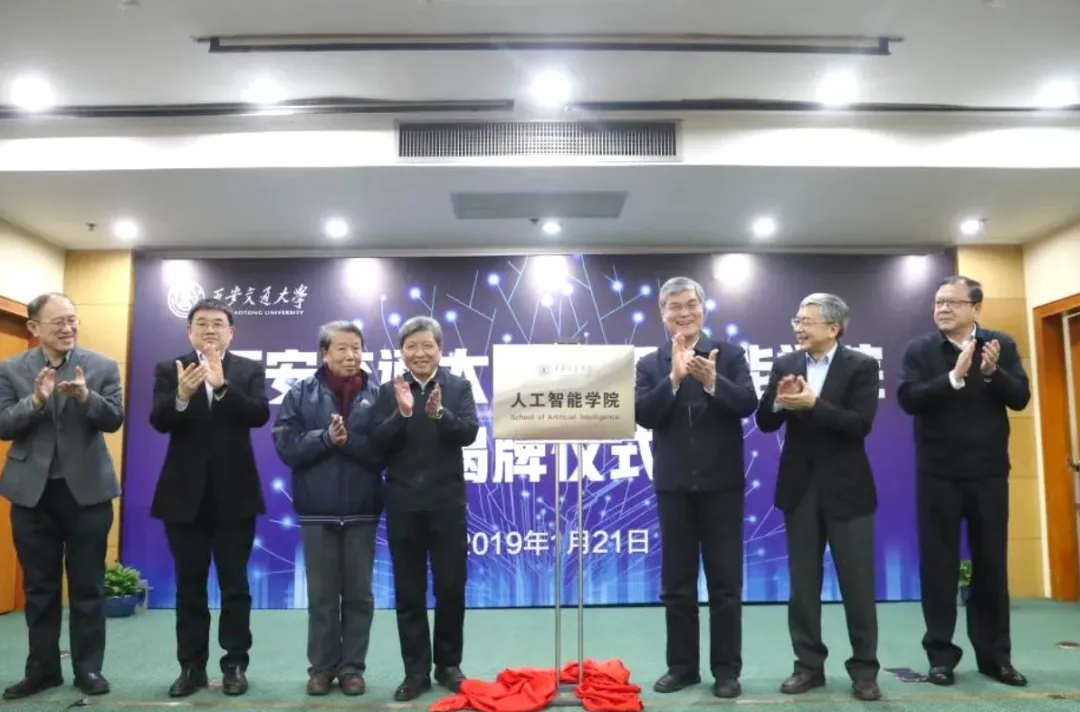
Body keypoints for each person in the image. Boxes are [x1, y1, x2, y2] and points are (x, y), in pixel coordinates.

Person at [897, 275, 1030, 688]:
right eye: (938, 302)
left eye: (952, 302)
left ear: (976, 308)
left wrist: (992, 373)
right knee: (939, 566)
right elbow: (908, 398)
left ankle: (996, 658)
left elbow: (1020, 397)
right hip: (938, 473)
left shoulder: (1000, 345)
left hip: (988, 472)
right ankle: (940, 657)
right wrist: (953, 377)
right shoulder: (921, 350)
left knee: (991, 565)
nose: (942, 309)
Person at [634, 276, 758, 699]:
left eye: (691, 304)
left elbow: (747, 403)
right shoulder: (650, 363)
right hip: (673, 487)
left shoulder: (730, 355)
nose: (683, 313)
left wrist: (712, 381)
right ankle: (682, 667)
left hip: (722, 485)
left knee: (725, 583)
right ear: (662, 314)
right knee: (677, 584)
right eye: (674, 306)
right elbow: (644, 415)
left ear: (703, 309)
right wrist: (672, 378)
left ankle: (726, 670)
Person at [755, 293, 882, 702]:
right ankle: (808, 666)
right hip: (800, 488)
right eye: (796, 320)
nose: (798, 327)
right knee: (803, 587)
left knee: (857, 585)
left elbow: (859, 424)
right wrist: (779, 400)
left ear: (833, 327)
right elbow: (764, 421)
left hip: (848, 489)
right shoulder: (786, 364)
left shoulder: (861, 366)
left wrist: (813, 404)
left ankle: (864, 669)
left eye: (806, 321)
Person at [0, 292, 123, 700]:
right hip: (31, 495)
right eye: (58, 322)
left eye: (72, 320)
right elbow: (3, 425)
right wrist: (35, 400)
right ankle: (42, 670)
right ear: (34, 327)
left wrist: (86, 397)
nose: (68, 328)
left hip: (87, 493)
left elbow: (114, 419)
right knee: (40, 589)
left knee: (88, 587)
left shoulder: (101, 366)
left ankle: (89, 669)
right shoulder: (11, 369)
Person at [148, 298, 270, 698]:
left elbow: (259, 415)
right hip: (183, 497)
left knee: (235, 586)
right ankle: (191, 667)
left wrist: (221, 387)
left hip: (235, 496)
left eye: (218, 323)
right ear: (189, 331)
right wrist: (181, 396)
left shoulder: (247, 370)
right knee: (189, 586)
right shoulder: (170, 368)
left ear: (231, 332)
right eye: (201, 323)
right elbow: (159, 420)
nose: (210, 329)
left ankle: (234, 664)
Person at [271, 320, 384, 696]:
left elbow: (385, 451)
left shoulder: (379, 394)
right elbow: (286, 447)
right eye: (342, 348)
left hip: (362, 508)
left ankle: (352, 668)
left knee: (359, 596)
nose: (351, 355)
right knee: (322, 597)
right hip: (317, 509)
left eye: (357, 348)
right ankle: (321, 668)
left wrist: (347, 441)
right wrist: (325, 438)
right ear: (324, 352)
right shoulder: (300, 393)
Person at [370, 316, 479, 702]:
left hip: (446, 504)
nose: (419, 353)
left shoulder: (458, 386)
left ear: (440, 349)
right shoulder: (388, 390)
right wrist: (401, 414)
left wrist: (438, 414)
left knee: (451, 587)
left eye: (427, 345)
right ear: (402, 352)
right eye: (411, 346)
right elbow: (377, 441)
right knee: (409, 592)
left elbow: (468, 432)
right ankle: (415, 671)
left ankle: (448, 665)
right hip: (403, 504)